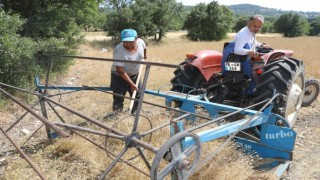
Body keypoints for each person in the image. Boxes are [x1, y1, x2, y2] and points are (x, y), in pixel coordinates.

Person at [222, 15, 270, 92]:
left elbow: (251, 42)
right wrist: (249, 52)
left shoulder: (250, 32)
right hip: (236, 59)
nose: (257, 29)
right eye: (255, 26)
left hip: (239, 58)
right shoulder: (243, 34)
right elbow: (237, 50)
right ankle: (250, 92)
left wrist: (261, 45)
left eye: (259, 27)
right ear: (248, 22)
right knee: (252, 74)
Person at [107, 29, 146, 118]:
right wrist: (132, 84)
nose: (127, 44)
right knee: (119, 97)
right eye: (125, 41)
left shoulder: (140, 42)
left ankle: (135, 115)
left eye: (130, 41)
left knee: (138, 96)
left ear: (136, 39)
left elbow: (144, 48)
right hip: (119, 76)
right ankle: (117, 116)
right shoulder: (119, 51)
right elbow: (120, 70)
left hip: (135, 75)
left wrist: (145, 56)